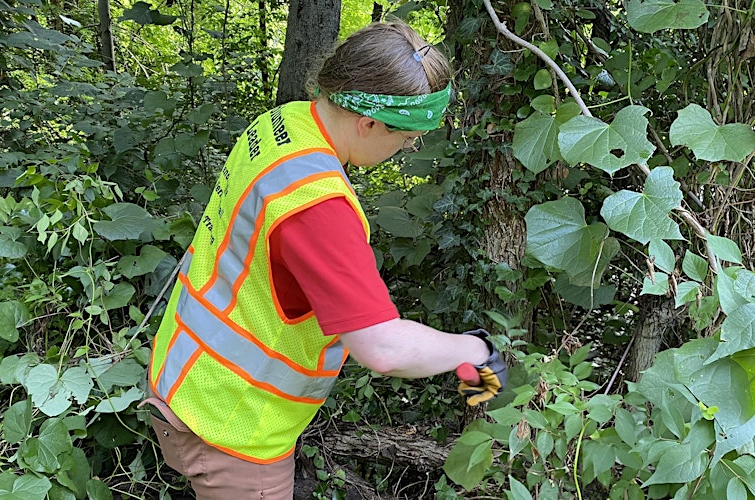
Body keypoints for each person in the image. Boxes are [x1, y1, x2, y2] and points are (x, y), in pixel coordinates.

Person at [140, 21, 506, 499]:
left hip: (186, 374)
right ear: (368, 123)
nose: (407, 149)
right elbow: (382, 348)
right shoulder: (317, 207)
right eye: (407, 138)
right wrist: (475, 351)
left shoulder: (285, 123)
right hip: (235, 426)